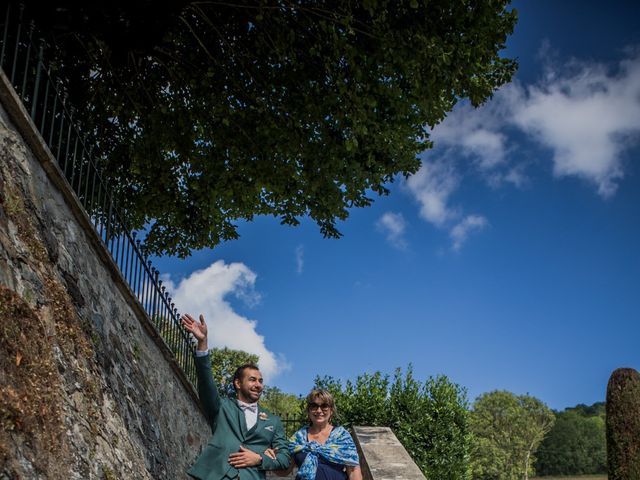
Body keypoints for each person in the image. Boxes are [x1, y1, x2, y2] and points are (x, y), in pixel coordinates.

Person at [181, 313, 291, 480]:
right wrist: (203, 343)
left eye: (261, 381)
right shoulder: (221, 407)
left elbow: (284, 459)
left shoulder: (273, 421)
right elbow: (206, 382)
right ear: (238, 384)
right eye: (252, 380)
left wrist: (260, 458)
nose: (258, 384)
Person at [270, 389, 362, 480]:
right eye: (314, 406)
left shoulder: (342, 437)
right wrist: (273, 460)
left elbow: (354, 473)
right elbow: (285, 471)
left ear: (331, 410)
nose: (319, 410)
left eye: (324, 406)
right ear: (308, 411)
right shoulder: (298, 438)